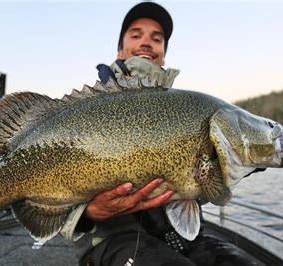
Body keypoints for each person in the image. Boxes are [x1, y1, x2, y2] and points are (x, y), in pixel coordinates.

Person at [60, 2, 255, 265]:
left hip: (186, 239)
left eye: (157, 38)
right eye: (136, 34)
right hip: (110, 242)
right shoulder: (87, 112)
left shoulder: (186, 111)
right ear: (120, 49)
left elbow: (198, 188)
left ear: (163, 53)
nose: (146, 43)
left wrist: (234, 164)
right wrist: (88, 213)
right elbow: (53, 183)